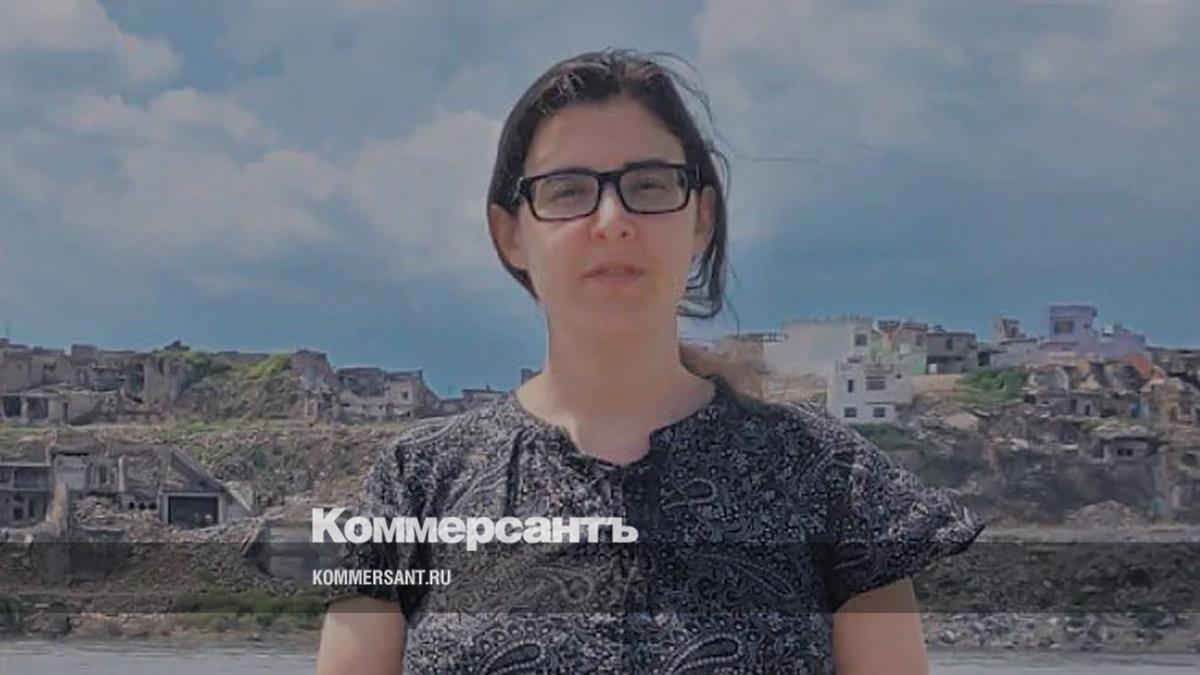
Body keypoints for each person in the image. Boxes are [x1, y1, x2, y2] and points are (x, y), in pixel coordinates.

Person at [316, 48, 983, 674]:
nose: (612, 219)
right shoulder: (414, 484)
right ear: (510, 232)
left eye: (650, 184)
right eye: (568, 190)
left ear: (701, 218)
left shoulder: (833, 481)